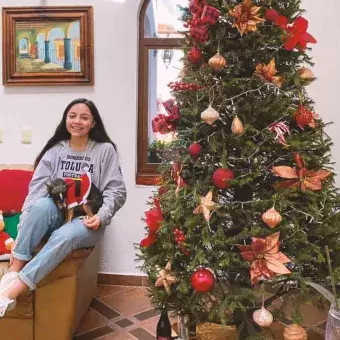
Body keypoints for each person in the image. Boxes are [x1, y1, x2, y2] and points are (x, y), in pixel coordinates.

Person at [0, 98, 127, 316]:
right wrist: (21, 234)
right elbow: (36, 190)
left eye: (84, 117)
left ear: (93, 123)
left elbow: (116, 191)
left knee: (65, 236)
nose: (77, 121)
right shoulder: (55, 151)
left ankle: (12, 291)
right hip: (57, 212)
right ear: (65, 119)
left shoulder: (104, 150)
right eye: (72, 116)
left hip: (86, 218)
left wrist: (102, 217)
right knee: (40, 205)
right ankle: (14, 268)